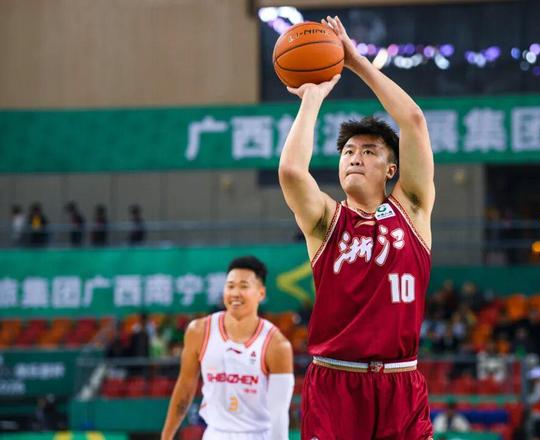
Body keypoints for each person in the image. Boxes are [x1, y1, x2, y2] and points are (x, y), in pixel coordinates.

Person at [278, 15, 435, 439]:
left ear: (391, 169)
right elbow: (291, 172)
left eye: (369, 151)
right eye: (348, 151)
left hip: (401, 382)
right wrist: (312, 97)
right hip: (335, 383)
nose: (355, 157)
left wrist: (355, 62)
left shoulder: (412, 209)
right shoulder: (326, 222)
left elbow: (413, 120)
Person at [161, 256, 294, 440]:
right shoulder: (199, 331)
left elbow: (279, 415)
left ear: (261, 293)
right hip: (215, 433)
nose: (235, 293)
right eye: (230, 286)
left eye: (244, 286)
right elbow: (184, 388)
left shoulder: (277, 345)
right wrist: (166, 436)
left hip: (258, 435)